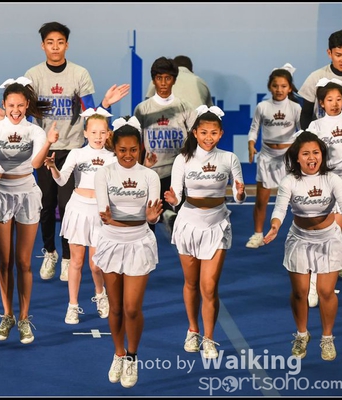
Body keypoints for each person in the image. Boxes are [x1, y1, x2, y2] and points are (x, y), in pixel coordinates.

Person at [0, 21, 130, 281]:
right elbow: (23, 111)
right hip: (44, 149)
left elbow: (89, 112)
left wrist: (105, 104)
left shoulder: (80, 74)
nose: (55, 47)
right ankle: (49, 252)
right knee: (46, 205)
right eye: (50, 42)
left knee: (67, 205)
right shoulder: (33, 75)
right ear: (43, 46)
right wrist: (4, 120)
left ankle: (67, 258)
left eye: (60, 42)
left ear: (67, 45)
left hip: (72, 148)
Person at [0, 77, 58, 345]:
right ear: (4, 105)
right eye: (11, 105)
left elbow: (37, 165)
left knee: (24, 262)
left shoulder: (36, 132)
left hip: (27, 193)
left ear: (27, 105)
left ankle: (24, 319)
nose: (15, 110)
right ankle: (7, 315)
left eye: (20, 105)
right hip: (0, 194)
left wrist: (49, 142)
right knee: (4, 262)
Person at [262, 131, 342, 361]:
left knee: (325, 292)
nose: (312, 158)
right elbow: (280, 208)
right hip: (300, 239)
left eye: (316, 152)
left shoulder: (332, 179)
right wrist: (274, 226)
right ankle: (302, 335)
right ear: (297, 157)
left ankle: (327, 338)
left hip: (329, 239)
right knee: (300, 292)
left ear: (322, 155)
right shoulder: (289, 181)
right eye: (306, 154)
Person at [164, 105, 246, 360]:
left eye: (213, 133)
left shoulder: (229, 158)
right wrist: (172, 199)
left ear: (221, 134)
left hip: (217, 224)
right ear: (195, 133)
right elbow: (177, 196)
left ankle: (210, 338)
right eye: (204, 132)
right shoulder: (183, 159)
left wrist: (240, 193)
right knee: (191, 283)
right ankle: (193, 330)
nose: (208, 137)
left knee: (209, 287)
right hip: (188, 224)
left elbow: (238, 196)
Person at [92, 116, 162, 389]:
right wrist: (137, 218)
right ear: (114, 148)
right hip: (111, 243)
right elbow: (104, 214)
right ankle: (118, 353)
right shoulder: (104, 174)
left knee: (132, 308)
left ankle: (132, 356)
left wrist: (149, 218)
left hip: (139, 243)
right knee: (116, 307)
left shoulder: (150, 176)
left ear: (140, 148)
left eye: (133, 149)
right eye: (122, 150)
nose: (128, 155)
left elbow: (153, 216)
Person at [43, 108, 116, 324]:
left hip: (100, 212)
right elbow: (61, 180)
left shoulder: (113, 158)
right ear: (85, 133)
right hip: (78, 209)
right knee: (76, 262)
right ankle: (73, 306)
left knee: (96, 265)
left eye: (102, 132)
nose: (98, 137)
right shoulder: (76, 154)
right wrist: (53, 167)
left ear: (108, 133)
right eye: (93, 132)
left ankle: (100, 295)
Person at [306, 78, 342, 305]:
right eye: (329, 100)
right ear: (321, 103)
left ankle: (320, 284)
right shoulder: (315, 126)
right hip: (323, 184)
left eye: (338, 99)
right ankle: (314, 283)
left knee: (334, 236)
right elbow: (308, 156)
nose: (334, 104)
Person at [134, 56, 197, 233]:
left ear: (174, 80)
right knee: (148, 226)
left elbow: (195, 140)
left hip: (178, 173)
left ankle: (170, 218)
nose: (163, 83)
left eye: (167, 78)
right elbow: (137, 144)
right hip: (151, 173)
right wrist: (138, 171)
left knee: (183, 226)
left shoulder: (185, 107)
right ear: (153, 80)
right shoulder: (142, 109)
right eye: (159, 78)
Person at [245, 64, 302, 249]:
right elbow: (254, 129)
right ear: (270, 86)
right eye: (275, 86)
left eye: (283, 86)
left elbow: (302, 132)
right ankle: (257, 235)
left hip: (289, 158)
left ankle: (302, 234)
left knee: (299, 200)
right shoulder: (262, 107)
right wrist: (251, 144)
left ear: (290, 88)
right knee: (261, 201)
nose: (279, 89)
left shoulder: (295, 108)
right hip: (267, 158)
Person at [298, 29, 342, 129]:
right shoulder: (315, 78)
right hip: (321, 135)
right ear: (329, 53)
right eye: (338, 55)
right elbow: (306, 114)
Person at [144, 55, 213, 108]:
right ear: (192, 71)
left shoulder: (159, 80)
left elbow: (147, 105)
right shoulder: (200, 82)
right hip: (195, 121)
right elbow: (210, 111)